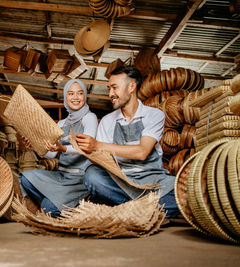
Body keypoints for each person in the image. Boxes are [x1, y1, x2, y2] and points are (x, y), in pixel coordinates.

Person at [75, 66, 179, 219]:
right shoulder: (107, 121)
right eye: (109, 88)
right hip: (121, 182)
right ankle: (141, 212)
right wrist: (89, 151)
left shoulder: (154, 115)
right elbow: (103, 159)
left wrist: (97, 145)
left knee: (182, 192)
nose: (111, 94)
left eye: (114, 87)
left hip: (152, 181)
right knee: (92, 175)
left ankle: (123, 210)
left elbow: (142, 152)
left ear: (131, 86)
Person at [19, 79, 98, 217]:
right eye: (70, 93)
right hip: (61, 176)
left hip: (80, 179)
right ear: (65, 97)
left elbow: (87, 148)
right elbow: (50, 154)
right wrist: (35, 146)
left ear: (85, 95)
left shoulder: (89, 118)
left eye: (80, 93)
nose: (75, 97)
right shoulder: (61, 123)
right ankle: (59, 201)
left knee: (48, 209)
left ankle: (73, 202)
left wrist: (64, 149)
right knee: (26, 178)